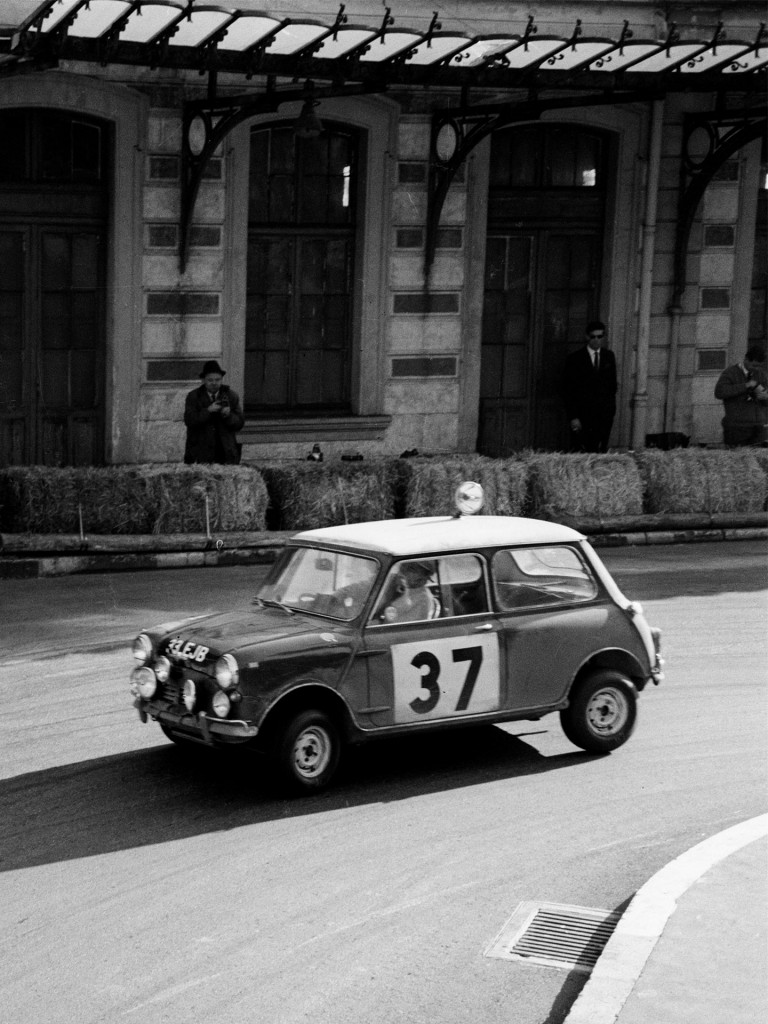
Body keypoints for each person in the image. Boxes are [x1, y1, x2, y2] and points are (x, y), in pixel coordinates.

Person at [561, 320, 617, 453]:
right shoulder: (575, 359)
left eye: (600, 336)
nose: (597, 340)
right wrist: (573, 417)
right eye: (593, 337)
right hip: (583, 415)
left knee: (601, 451)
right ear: (587, 337)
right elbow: (568, 390)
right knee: (582, 451)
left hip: (604, 415)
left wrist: (610, 410)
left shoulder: (609, 356)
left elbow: (612, 385)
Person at [183, 360, 245, 464]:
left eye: (217, 379)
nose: (214, 383)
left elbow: (240, 423)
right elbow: (189, 420)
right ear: (203, 381)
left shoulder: (231, 396)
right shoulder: (194, 397)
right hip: (201, 452)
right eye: (210, 380)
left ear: (222, 380)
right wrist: (208, 411)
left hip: (225, 452)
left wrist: (228, 415)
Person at [714, 345, 768, 447]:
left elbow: (766, 402)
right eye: (754, 365)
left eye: (759, 366)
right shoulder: (730, 373)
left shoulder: (761, 375)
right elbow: (720, 392)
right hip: (736, 427)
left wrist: (765, 397)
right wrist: (745, 386)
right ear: (746, 359)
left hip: (758, 427)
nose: (756, 369)